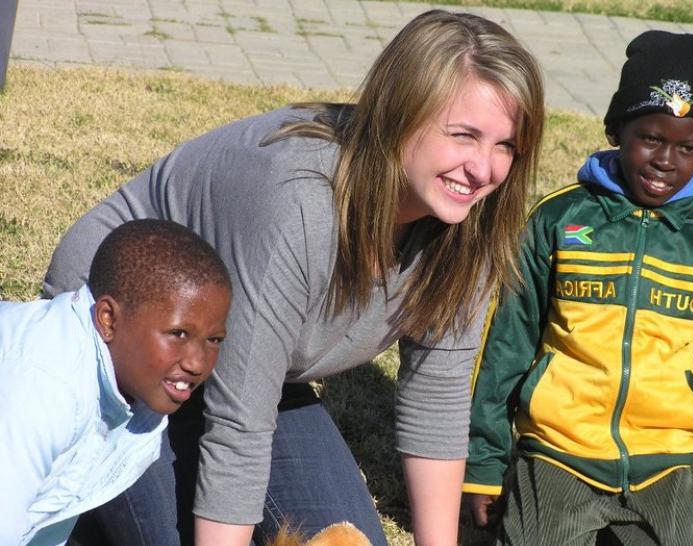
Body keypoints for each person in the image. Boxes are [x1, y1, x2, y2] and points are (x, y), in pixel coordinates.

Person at [43, 9, 545, 546]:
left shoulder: (472, 220)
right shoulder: (299, 204)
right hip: (124, 355)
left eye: (505, 145)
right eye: (464, 135)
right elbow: (240, 427)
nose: (483, 169)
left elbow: (437, 398)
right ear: (401, 114)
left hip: (261, 373)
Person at [463, 30, 693, 546]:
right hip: (558, 452)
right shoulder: (558, 221)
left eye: (687, 147)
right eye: (651, 138)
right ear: (617, 129)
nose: (666, 159)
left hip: (667, 466)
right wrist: (484, 465)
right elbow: (507, 344)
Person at [0, 219, 232, 546]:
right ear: (108, 319)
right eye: (179, 334)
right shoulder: (41, 387)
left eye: (214, 340)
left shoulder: (137, 399)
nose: (197, 362)